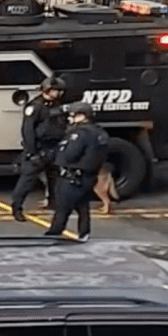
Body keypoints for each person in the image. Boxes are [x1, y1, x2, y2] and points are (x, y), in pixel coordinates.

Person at [44, 102, 109, 241]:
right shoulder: (100, 133)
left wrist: (57, 154)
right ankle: (84, 234)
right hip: (89, 176)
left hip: (73, 177)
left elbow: (69, 154)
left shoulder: (81, 134)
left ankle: (53, 234)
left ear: (83, 116)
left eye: (73, 115)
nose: (70, 119)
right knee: (82, 207)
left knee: (62, 208)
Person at [12, 75, 68, 221]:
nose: (59, 93)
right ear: (47, 90)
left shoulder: (56, 105)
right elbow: (28, 130)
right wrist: (32, 151)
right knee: (27, 180)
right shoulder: (35, 106)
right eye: (56, 90)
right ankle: (17, 207)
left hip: (53, 147)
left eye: (59, 91)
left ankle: (54, 204)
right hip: (38, 148)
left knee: (54, 179)